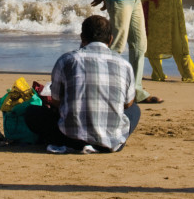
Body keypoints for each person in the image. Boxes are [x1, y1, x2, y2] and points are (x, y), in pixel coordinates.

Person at [24, 15, 140, 153]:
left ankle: (71, 136)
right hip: (110, 141)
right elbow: (127, 103)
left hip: (70, 138)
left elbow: (56, 100)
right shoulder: (124, 65)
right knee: (135, 110)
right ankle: (109, 136)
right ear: (110, 39)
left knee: (31, 112)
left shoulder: (66, 60)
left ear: (82, 37)